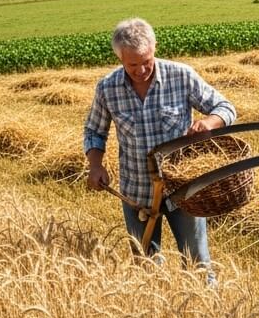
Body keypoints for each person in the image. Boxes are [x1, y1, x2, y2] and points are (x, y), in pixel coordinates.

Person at [84, 18, 236, 282]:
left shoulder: (181, 76)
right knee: (146, 268)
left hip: (183, 192)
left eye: (147, 61)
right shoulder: (107, 88)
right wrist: (95, 166)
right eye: (133, 65)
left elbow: (225, 107)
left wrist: (209, 122)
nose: (142, 70)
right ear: (120, 58)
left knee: (198, 264)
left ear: (155, 48)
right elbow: (95, 132)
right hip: (137, 193)